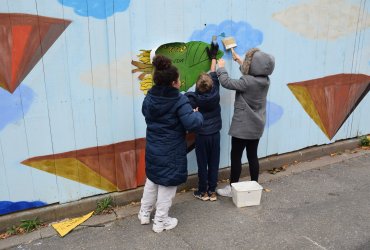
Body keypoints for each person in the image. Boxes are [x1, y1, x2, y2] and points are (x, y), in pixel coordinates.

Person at [138, 55, 204, 232]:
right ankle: (160, 221)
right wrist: (196, 113)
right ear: (174, 82)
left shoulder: (150, 96)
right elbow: (192, 124)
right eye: (178, 79)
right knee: (167, 185)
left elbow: (146, 112)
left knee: (152, 180)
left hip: (153, 148)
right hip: (171, 151)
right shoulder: (179, 100)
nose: (180, 81)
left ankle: (144, 214)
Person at [216, 48, 275, 197]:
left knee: (236, 156)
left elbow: (227, 82)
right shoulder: (265, 81)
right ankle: (255, 185)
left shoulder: (246, 82)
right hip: (256, 126)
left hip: (242, 126)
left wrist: (221, 68)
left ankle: (232, 187)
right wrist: (239, 60)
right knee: (252, 156)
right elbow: (251, 73)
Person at [185, 43, 222, 202]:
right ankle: (212, 191)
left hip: (202, 135)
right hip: (215, 134)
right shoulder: (216, 92)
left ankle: (202, 191)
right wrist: (213, 56)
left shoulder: (194, 98)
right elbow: (213, 72)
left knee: (202, 163)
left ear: (198, 88)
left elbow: (182, 97)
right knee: (214, 162)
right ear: (211, 85)